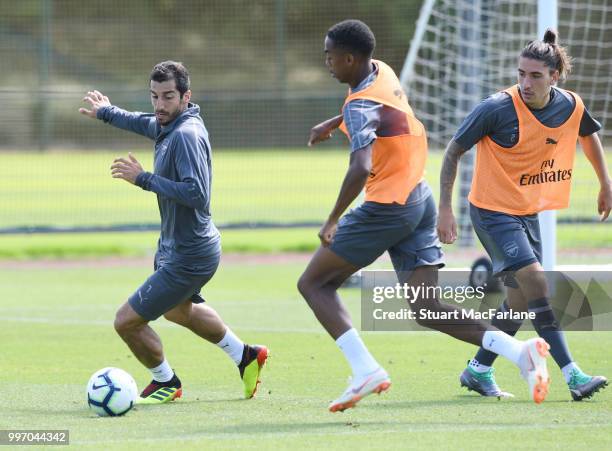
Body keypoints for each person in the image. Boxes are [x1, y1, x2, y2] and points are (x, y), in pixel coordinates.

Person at [298, 19, 552, 412]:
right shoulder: (381, 70)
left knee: (314, 284)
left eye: (330, 56)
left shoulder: (360, 104)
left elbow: (361, 166)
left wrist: (333, 219)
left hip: (387, 207)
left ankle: (365, 368)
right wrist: (335, 122)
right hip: (419, 198)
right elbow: (384, 113)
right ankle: (520, 353)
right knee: (427, 308)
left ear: (350, 58)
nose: (327, 62)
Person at [79, 61, 268, 404]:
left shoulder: (185, 135)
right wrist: (106, 112)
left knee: (126, 322)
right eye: (154, 96)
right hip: (178, 247)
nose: (159, 105)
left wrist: (143, 179)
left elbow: (198, 195)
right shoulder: (172, 124)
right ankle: (245, 356)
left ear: (185, 96)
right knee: (178, 310)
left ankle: (165, 381)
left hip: (190, 254)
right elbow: (142, 121)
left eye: (168, 96)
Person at [438, 29, 610, 401]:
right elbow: (452, 152)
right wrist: (445, 209)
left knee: (518, 301)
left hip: (526, 212)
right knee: (536, 284)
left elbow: (587, 134)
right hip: (491, 211)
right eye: (521, 74)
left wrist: (605, 182)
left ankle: (478, 370)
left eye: (535, 75)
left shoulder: (570, 104)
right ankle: (574, 375)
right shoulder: (495, 108)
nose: (525, 83)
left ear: (554, 77)